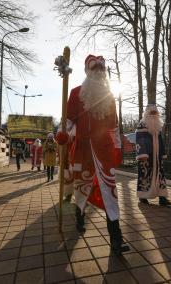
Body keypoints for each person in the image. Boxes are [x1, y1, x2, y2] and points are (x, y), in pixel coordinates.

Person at [56, 54, 129, 255]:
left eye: (101, 69)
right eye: (95, 68)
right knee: (81, 188)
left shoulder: (109, 96)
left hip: (103, 149)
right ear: (88, 71)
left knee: (109, 191)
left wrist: (117, 149)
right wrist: (62, 134)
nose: (98, 72)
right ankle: (79, 215)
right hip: (83, 148)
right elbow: (68, 121)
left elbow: (114, 126)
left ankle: (116, 238)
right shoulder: (76, 93)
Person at [135, 104, 171, 206]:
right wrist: (142, 154)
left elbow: (160, 141)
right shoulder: (142, 124)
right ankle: (143, 197)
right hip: (146, 157)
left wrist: (162, 153)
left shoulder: (158, 125)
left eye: (155, 112)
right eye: (151, 112)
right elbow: (140, 140)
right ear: (147, 113)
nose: (153, 114)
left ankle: (162, 198)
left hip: (157, 157)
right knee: (145, 175)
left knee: (160, 176)